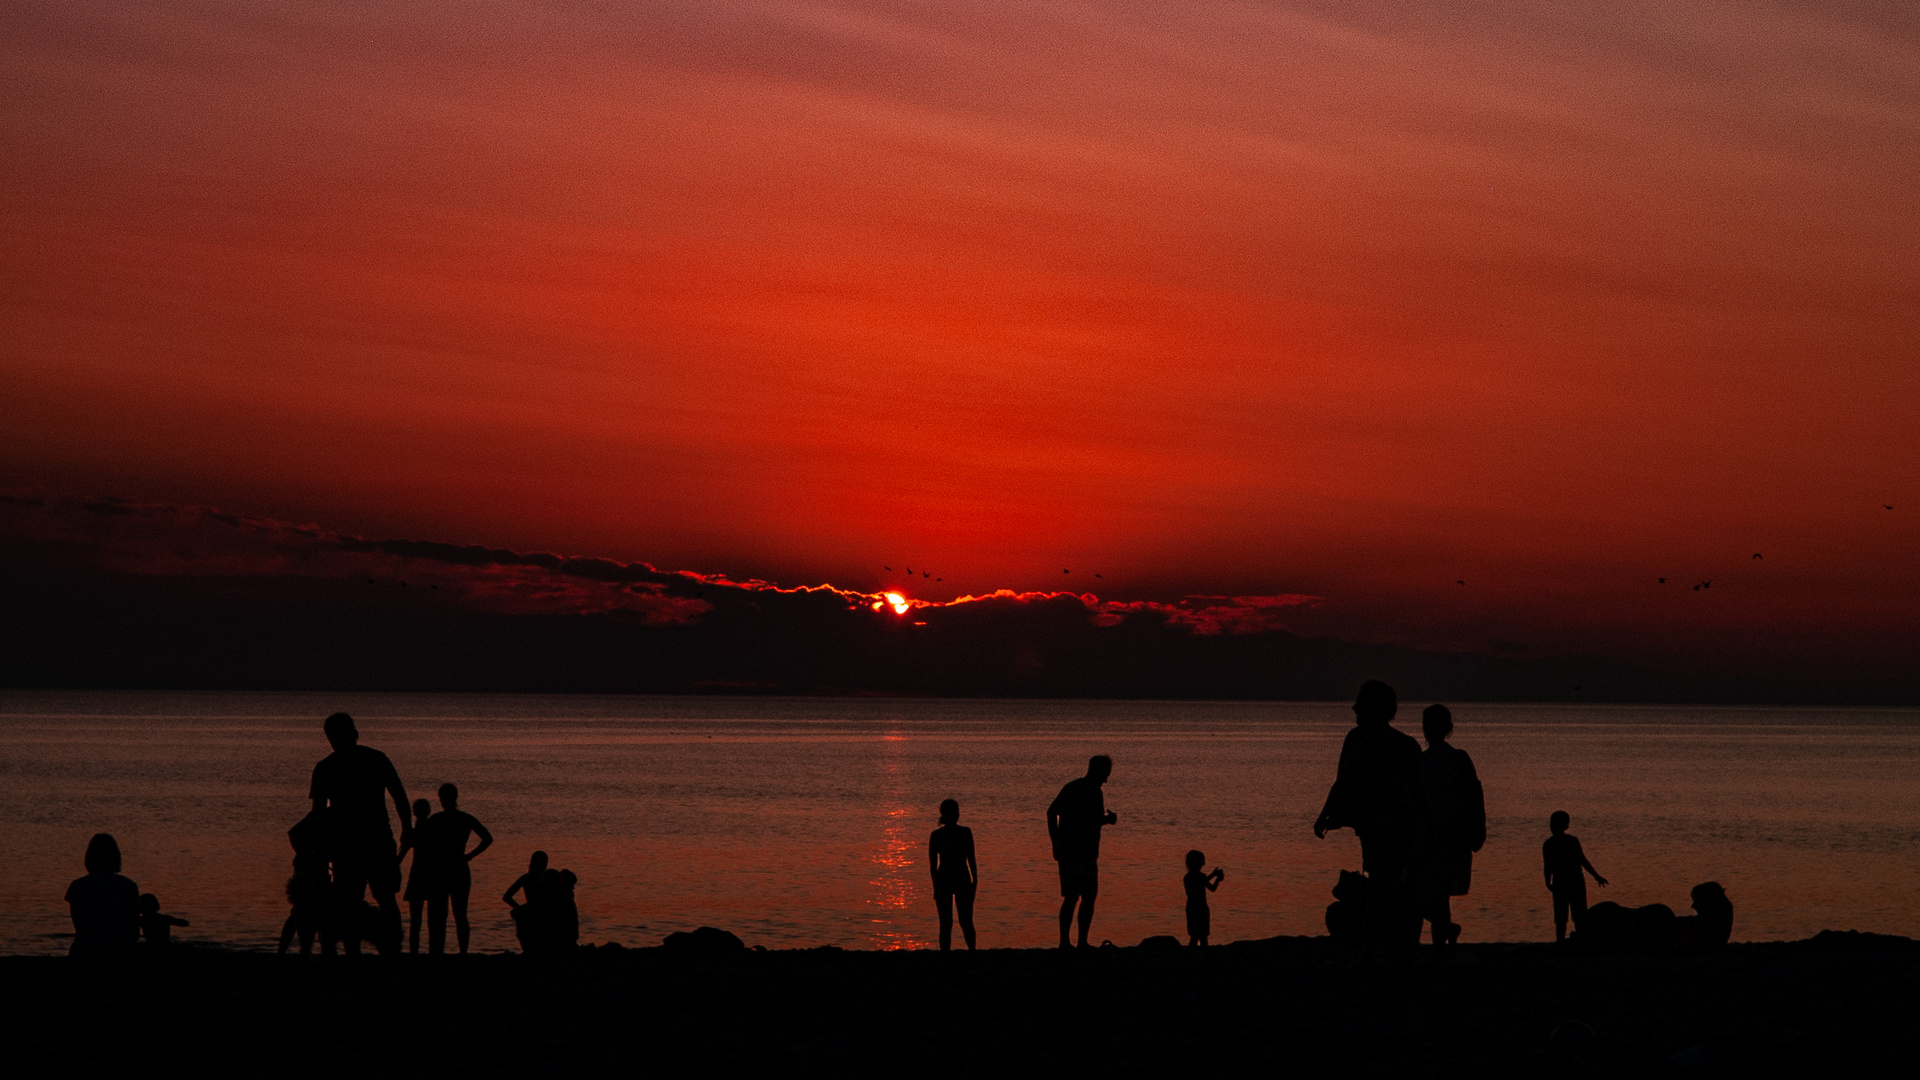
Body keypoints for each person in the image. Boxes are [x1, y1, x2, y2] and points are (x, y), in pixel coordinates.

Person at [1313, 680, 1425, 961]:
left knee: (1385, 890)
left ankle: (1408, 951)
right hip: (1404, 826)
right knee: (1378, 889)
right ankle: (1368, 949)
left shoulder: (1360, 737)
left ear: (1372, 706)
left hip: (1378, 826)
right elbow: (1418, 792)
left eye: (1360, 702)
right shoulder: (1409, 745)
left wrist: (1326, 814)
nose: (1354, 707)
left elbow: (1345, 779)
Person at [308, 712, 411, 957]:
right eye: (332, 738)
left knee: (373, 899)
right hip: (356, 844)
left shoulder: (335, 766)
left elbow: (318, 815)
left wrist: (407, 829)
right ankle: (375, 951)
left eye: (337, 737)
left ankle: (383, 950)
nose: (336, 742)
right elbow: (319, 814)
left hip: (366, 842)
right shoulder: (336, 766)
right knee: (362, 900)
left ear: (353, 735)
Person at [1415, 704, 1485, 951]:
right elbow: (1475, 797)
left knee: (1421, 893)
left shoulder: (1422, 761)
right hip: (1453, 836)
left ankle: (1443, 935)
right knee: (1439, 895)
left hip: (1432, 838)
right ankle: (1441, 943)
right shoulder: (1459, 759)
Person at [1047, 754, 1118, 949]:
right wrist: (1109, 820)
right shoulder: (1094, 792)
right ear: (1098, 772)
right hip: (1083, 854)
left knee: (1071, 897)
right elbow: (1090, 821)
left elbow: (1052, 812)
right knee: (1087, 896)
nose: (1106, 780)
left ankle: (1065, 942)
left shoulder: (1071, 787)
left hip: (1068, 852)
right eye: (1105, 774)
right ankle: (1080, 942)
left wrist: (1056, 842)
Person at [415, 782, 494, 954]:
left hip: (439, 869)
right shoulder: (465, 818)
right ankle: (463, 952)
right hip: (459, 867)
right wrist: (469, 856)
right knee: (460, 914)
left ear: (442, 799)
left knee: (438, 915)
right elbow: (487, 838)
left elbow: (421, 842)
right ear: (456, 798)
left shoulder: (436, 820)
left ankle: (437, 951)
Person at [65, 833, 139, 957]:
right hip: (121, 951)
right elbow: (134, 930)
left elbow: (79, 925)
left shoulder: (77, 886)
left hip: (85, 951)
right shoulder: (129, 886)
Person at [1543, 810, 1606, 942]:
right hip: (1575, 881)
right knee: (1578, 915)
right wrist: (1596, 876)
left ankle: (1561, 942)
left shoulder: (1549, 844)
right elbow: (1582, 860)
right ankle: (1580, 941)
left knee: (1562, 917)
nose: (1550, 827)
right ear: (1566, 826)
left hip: (1561, 882)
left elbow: (1548, 866)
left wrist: (1548, 882)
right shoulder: (1571, 841)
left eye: (1552, 824)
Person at [927, 799, 978, 952]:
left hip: (949, 879)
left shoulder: (938, 835)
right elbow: (971, 859)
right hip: (955, 879)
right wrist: (975, 880)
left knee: (950, 922)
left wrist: (975, 880)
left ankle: (956, 952)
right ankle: (971, 951)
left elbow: (933, 866)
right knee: (962, 921)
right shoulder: (962, 833)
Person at [280, 810, 332, 957]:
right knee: (299, 913)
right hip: (307, 869)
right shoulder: (321, 815)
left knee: (321, 912)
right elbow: (293, 834)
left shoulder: (334, 816)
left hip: (319, 868)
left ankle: (324, 952)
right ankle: (282, 952)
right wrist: (308, 854)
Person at [401, 798, 436, 954]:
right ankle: (432, 951)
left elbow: (401, 854)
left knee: (416, 920)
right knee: (432, 919)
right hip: (432, 874)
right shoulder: (434, 830)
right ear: (428, 811)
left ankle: (414, 951)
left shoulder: (414, 832)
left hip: (417, 874)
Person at [503, 850, 550, 954]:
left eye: (546, 861)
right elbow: (507, 897)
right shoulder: (527, 878)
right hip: (533, 911)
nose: (546, 864)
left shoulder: (546, 878)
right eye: (544, 862)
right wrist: (519, 908)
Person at [1183, 850, 1224, 946]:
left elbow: (1211, 887)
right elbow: (1202, 883)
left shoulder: (1188, 877)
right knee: (1199, 937)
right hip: (1198, 909)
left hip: (1195, 908)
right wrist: (1215, 876)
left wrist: (1217, 879)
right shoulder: (1195, 877)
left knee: (1198, 937)